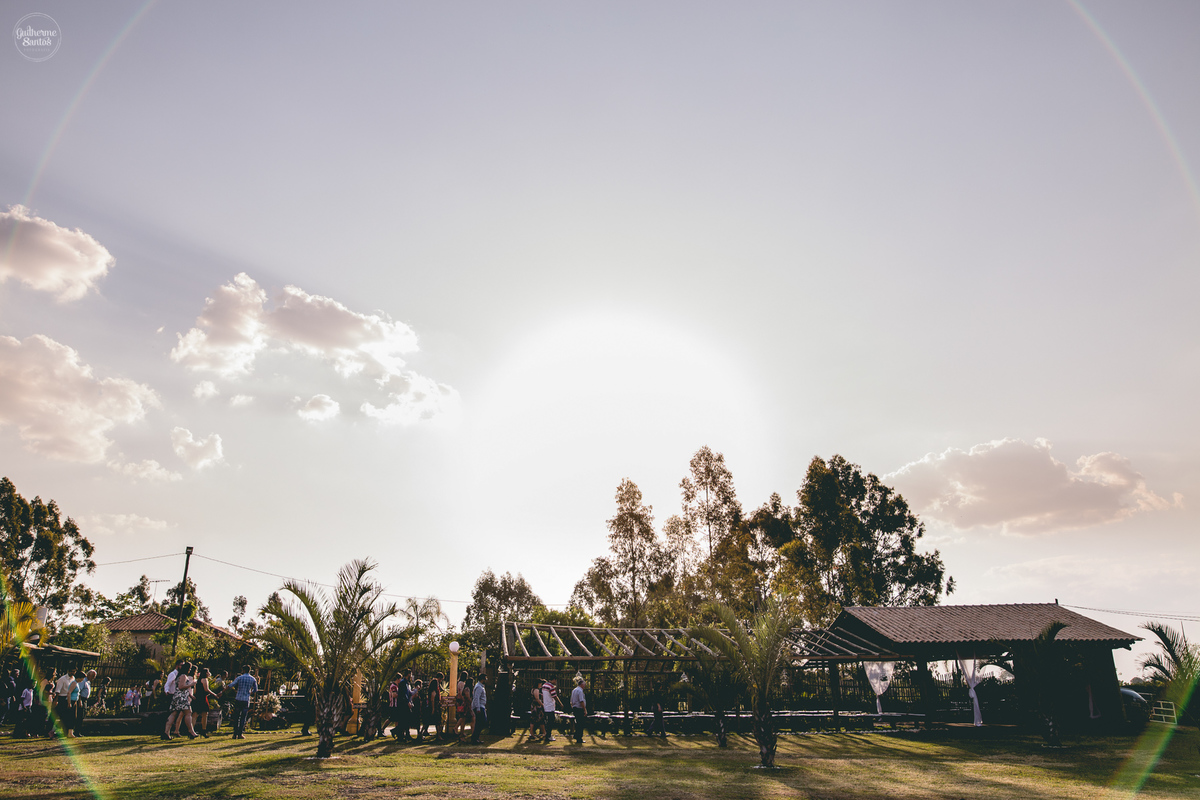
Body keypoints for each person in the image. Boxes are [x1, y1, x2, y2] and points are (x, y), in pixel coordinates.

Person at [230, 664, 258, 740]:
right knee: (243, 717)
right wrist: (250, 692)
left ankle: (235, 733)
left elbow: (232, 685)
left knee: (236, 717)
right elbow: (255, 689)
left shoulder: (239, 678)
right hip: (246, 699)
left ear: (243, 670)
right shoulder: (252, 679)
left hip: (238, 698)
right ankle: (240, 733)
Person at [192, 667, 216, 737]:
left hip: (197, 697)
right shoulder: (205, 679)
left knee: (195, 715)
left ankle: (191, 730)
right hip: (202, 698)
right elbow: (206, 689)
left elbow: (195, 691)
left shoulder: (198, 680)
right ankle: (203, 730)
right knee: (205, 714)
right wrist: (214, 694)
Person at [470, 675, 487, 744]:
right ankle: (475, 737)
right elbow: (476, 698)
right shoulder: (479, 687)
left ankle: (476, 738)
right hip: (479, 706)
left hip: (481, 705)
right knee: (482, 722)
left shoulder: (480, 686)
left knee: (480, 723)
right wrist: (478, 708)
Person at [540, 677, 558, 742]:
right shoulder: (551, 686)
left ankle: (546, 734)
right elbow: (554, 696)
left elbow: (542, 695)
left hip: (545, 705)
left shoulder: (544, 686)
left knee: (546, 721)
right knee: (551, 721)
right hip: (550, 706)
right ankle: (548, 735)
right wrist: (560, 704)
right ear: (553, 680)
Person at [570, 677, 587, 744]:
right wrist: (584, 709)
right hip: (579, 708)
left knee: (577, 722)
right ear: (581, 684)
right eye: (584, 685)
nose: (584, 686)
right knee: (581, 723)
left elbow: (571, 701)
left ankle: (576, 735)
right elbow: (581, 701)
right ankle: (579, 737)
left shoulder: (574, 690)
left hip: (575, 707)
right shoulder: (580, 691)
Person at [427, 673, 444, 741]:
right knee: (437, 721)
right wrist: (433, 708)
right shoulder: (435, 686)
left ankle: (422, 732)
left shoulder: (435, 685)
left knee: (428, 721)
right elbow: (432, 697)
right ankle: (438, 735)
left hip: (435, 705)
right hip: (435, 705)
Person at [75, 670, 91, 736]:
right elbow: (79, 691)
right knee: (80, 715)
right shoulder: (83, 681)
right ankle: (77, 731)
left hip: (85, 699)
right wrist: (80, 701)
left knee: (82, 715)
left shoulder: (87, 682)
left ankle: (78, 731)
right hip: (82, 699)